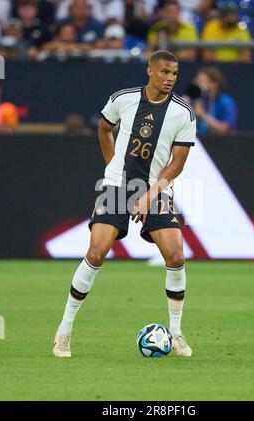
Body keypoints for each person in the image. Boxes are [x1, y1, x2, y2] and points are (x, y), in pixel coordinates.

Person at [53, 50, 196, 358]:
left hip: (155, 191)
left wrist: (149, 195)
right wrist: (112, 167)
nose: (170, 78)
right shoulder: (123, 99)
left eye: (174, 73)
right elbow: (104, 129)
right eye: (165, 72)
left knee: (175, 256)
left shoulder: (183, 113)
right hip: (117, 186)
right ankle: (64, 332)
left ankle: (176, 333)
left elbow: (177, 163)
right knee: (96, 253)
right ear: (150, 71)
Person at [184, 66, 238, 135]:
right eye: (195, 80)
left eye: (200, 81)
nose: (195, 83)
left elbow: (225, 129)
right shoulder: (193, 99)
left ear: (213, 84)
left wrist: (203, 115)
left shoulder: (226, 102)